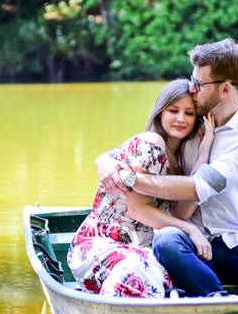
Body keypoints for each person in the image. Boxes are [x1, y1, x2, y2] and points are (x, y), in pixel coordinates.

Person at [96, 39, 238, 297]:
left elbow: (197, 188)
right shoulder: (189, 120)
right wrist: (104, 161)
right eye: (192, 81)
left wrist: (130, 179)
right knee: (166, 240)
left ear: (225, 89)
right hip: (192, 246)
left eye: (199, 84)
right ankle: (218, 300)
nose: (192, 89)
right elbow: (132, 148)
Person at [67, 79, 217, 298]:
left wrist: (203, 155)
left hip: (140, 246)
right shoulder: (151, 143)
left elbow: (181, 213)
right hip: (105, 242)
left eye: (189, 113)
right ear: (160, 112)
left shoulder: (179, 158)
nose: (181, 118)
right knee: (135, 274)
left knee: (168, 278)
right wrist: (191, 230)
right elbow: (138, 210)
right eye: (173, 110)